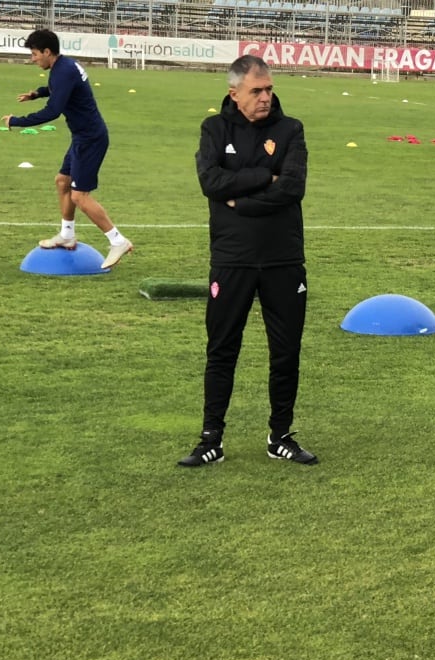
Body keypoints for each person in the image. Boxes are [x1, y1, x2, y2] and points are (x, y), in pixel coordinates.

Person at [179, 54, 318, 468]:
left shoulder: (291, 129)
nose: (265, 97)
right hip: (232, 258)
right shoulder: (213, 129)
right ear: (234, 92)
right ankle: (211, 439)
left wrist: (239, 200)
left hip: (283, 259)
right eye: (256, 90)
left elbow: (293, 188)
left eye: (269, 88)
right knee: (222, 349)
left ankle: (281, 435)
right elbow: (210, 182)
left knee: (285, 351)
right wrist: (263, 178)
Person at [0, 29, 132, 270]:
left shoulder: (63, 70)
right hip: (82, 136)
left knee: (79, 196)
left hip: (90, 139)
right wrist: (37, 93)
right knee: (62, 181)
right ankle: (67, 234)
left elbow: (53, 111)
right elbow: (59, 88)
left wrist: (16, 121)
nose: (33, 59)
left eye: (34, 54)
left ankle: (118, 240)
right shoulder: (63, 67)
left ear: (47, 52)